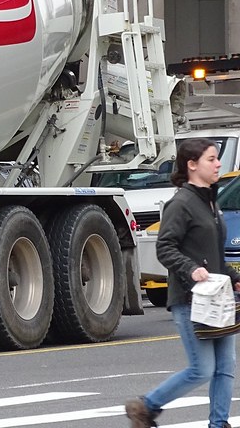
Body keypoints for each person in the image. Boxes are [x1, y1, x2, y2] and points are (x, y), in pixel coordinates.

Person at [126, 137, 240, 428]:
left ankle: (219, 424)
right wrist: (190, 270)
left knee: (226, 368)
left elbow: (212, 256)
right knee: (202, 370)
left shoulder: (210, 201)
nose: (217, 164)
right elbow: (165, 247)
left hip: (218, 298)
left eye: (217, 158)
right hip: (191, 300)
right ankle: (145, 407)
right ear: (192, 165)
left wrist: (235, 278)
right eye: (211, 159)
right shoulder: (181, 203)